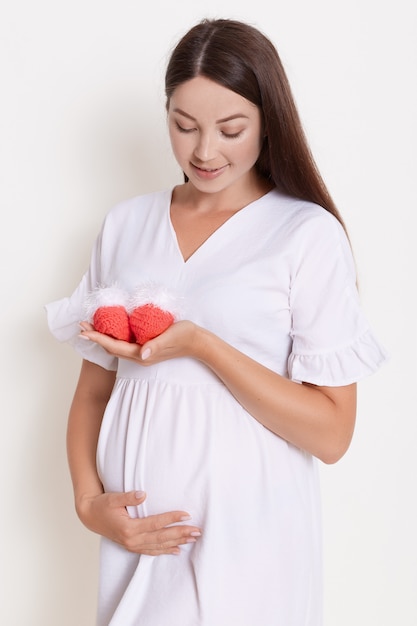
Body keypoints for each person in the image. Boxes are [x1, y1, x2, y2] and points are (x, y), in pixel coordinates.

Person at [46, 18, 387, 626]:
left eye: (232, 129)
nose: (205, 151)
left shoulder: (305, 234)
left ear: (268, 121)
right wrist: (88, 503)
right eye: (184, 126)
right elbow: (94, 391)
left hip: (251, 543)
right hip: (138, 542)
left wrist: (203, 345)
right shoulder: (125, 226)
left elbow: (333, 435)